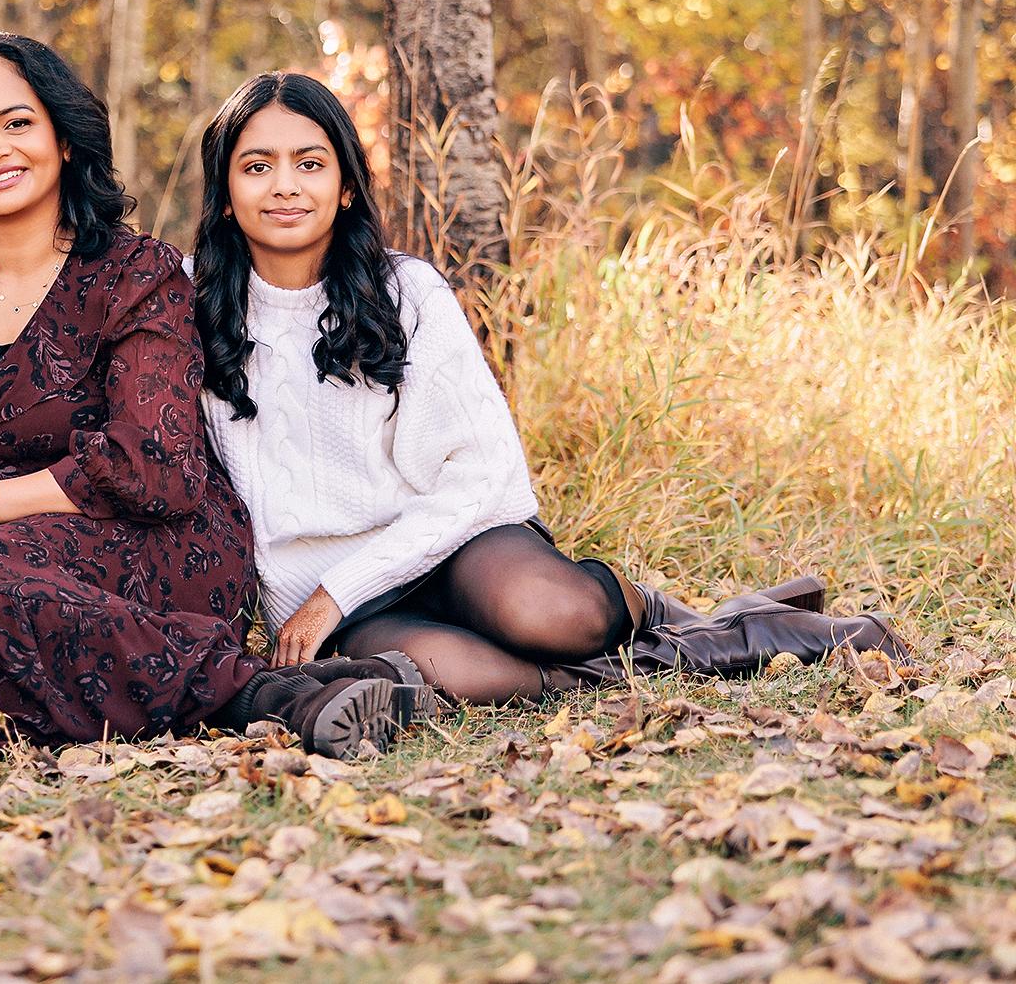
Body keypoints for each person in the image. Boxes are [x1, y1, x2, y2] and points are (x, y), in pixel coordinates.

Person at [189, 71, 909, 704]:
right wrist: (324, 598)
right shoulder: (187, 304)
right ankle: (740, 632)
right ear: (225, 191)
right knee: (454, 671)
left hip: (454, 545)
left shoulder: (405, 293)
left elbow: (484, 472)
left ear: (345, 186)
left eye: (309, 163)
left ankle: (664, 614)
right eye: (257, 166)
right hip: (347, 599)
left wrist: (330, 596)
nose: (284, 185)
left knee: (554, 614)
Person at [0, 33, 430, 758]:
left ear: (63, 137)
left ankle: (266, 694)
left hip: (153, 539)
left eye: (17, 123)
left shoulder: (134, 270)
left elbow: (155, 464)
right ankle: (337, 684)